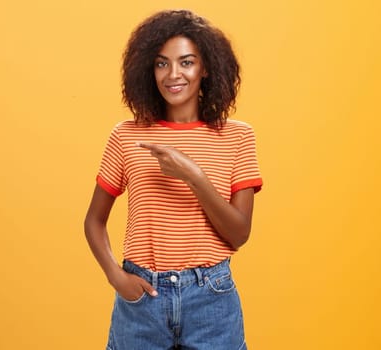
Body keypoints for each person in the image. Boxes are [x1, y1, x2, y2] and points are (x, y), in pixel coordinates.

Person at [84, 9, 262, 349]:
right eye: (162, 63)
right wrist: (116, 276)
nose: (173, 74)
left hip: (211, 298)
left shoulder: (237, 138)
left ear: (205, 68)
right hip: (141, 300)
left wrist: (193, 175)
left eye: (186, 62)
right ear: (149, 70)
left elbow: (239, 234)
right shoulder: (126, 136)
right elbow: (93, 220)